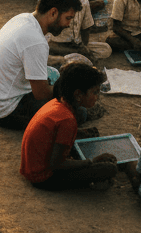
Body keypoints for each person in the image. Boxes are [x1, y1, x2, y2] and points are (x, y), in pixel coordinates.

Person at [0, 0, 82, 130]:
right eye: (68, 18)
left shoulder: (23, 18)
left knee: (62, 75)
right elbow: (41, 93)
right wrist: (71, 91)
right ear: (53, 12)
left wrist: (61, 63)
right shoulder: (35, 41)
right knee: (76, 111)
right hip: (6, 110)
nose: (68, 24)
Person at [20, 63, 118, 191]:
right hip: (43, 177)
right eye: (94, 92)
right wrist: (91, 161)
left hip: (32, 167)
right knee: (110, 169)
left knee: (87, 138)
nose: (97, 97)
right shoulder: (67, 120)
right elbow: (56, 164)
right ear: (78, 95)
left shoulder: (57, 102)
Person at [44, 0, 112, 66]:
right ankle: (68, 57)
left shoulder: (84, 1)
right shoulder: (55, 1)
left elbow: (85, 28)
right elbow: (49, 37)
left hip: (76, 44)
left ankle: (71, 56)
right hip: (56, 44)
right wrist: (81, 52)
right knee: (48, 49)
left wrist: (83, 47)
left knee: (106, 49)